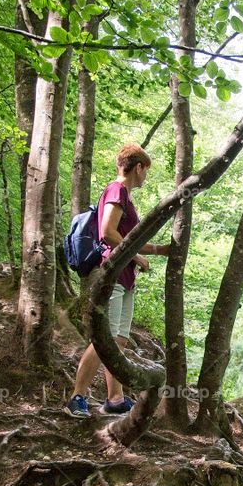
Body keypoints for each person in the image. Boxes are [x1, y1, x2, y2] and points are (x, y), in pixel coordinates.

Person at [64, 144, 170, 418]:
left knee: (119, 340)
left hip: (125, 278)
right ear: (138, 168)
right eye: (146, 171)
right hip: (112, 276)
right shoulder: (117, 190)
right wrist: (135, 257)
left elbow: (129, 239)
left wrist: (160, 250)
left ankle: (115, 398)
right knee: (104, 340)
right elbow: (107, 233)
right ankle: (77, 397)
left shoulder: (126, 196)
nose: (145, 177)